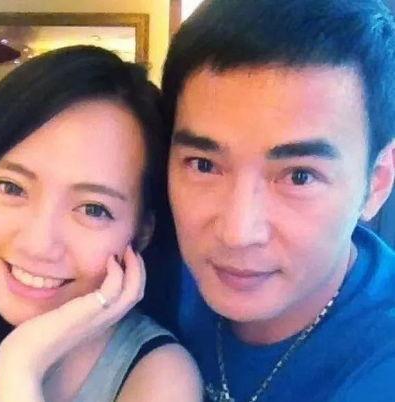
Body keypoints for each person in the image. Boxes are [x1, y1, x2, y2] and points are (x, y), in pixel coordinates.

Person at [0, 45, 202, 402]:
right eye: (12, 187)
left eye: (93, 209)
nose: (38, 244)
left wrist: (18, 367)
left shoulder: (160, 379)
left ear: (142, 231)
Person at [161, 0, 395, 400]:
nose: (237, 234)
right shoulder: (142, 271)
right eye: (204, 165)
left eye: (299, 176)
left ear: (376, 182)